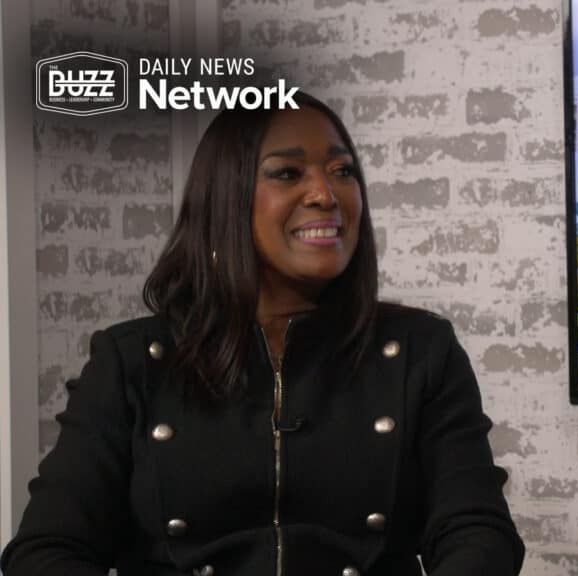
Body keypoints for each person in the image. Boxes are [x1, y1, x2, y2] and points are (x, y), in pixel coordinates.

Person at [0, 92, 525, 575]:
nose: (325, 193)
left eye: (342, 171)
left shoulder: (420, 351)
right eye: (288, 173)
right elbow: (44, 551)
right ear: (225, 199)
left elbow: (478, 532)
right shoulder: (131, 362)